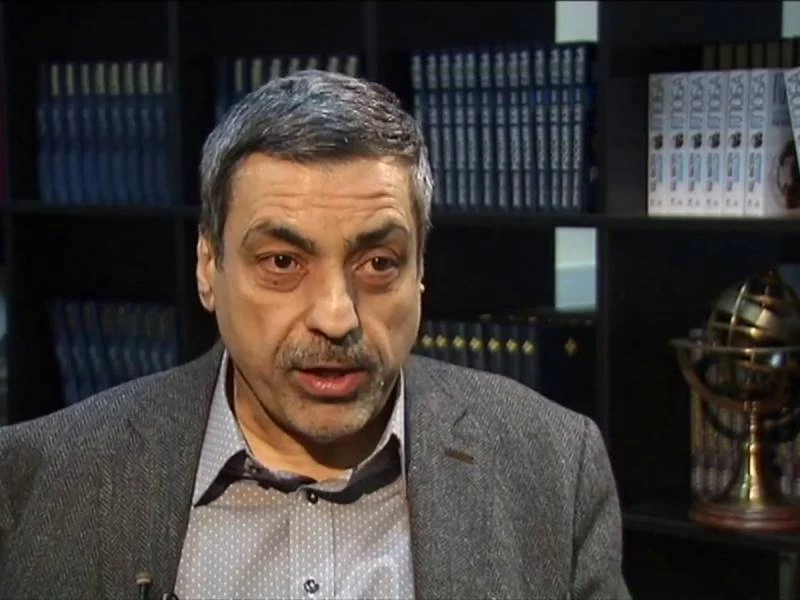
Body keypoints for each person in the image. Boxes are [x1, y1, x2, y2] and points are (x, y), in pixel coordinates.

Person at [0, 69, 630, 600]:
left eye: (378, 263)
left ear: (420, 272)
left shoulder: (552, 467)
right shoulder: (43, 481)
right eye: (283, 262)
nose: (336, 316)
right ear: (209, 267)